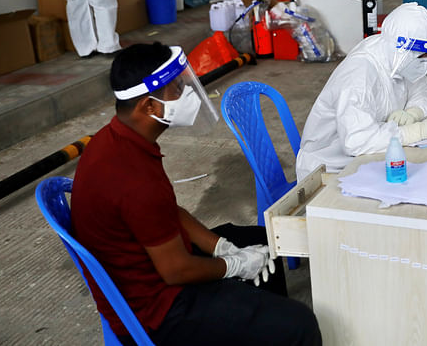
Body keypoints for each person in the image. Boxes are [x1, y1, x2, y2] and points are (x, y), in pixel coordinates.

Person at [71, 42, 321, 345]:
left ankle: (263, 322)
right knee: (299, 324)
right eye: (176, 88)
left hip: (149, 269)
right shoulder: (132, 178)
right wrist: (234, 265)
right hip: (157, 310)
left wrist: (221, 247)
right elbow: (177, 270)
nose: (187, 93)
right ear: (148, 107)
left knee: (259, 241)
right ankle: (272, 324)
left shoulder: (117, 141)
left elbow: (168, 212)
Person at [295, 2, 427, 181]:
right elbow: (357, 141)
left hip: (368, 159)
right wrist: (417, 132)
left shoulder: (395, 56)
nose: (424, 61)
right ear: (401, 49)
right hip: (327, 171)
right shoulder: (360, 74)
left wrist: (414, 112)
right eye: (420, 56)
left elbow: (421, 87)